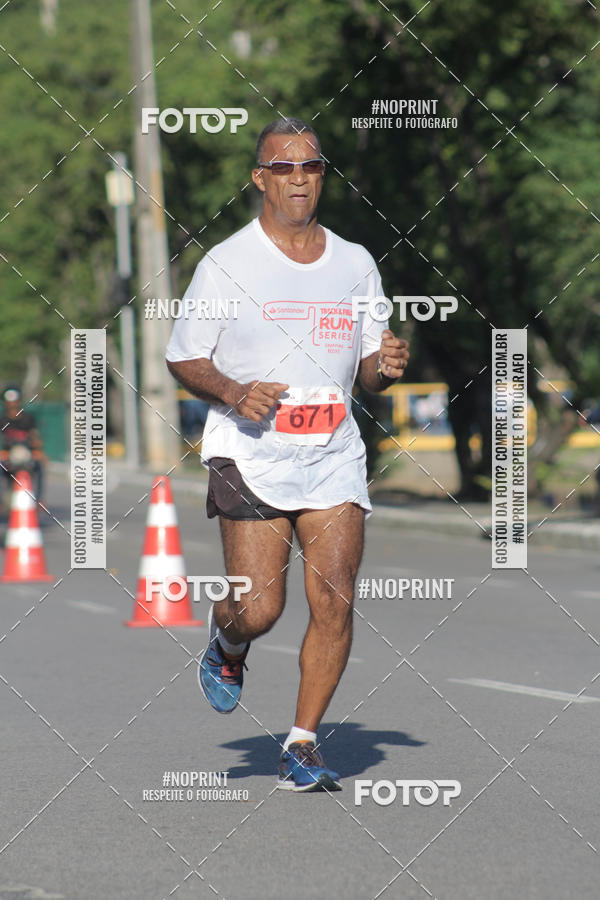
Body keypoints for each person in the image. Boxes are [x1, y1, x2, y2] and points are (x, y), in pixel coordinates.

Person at [165, 118, 409, 792]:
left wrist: (386, 366)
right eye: (284, 167)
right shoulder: (227, 264)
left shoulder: (355, 263)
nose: (299, 179)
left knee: (333, 598)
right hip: (251, 455)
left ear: (322, 175)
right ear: (260, 178)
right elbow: (182, 356)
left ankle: (302, 742)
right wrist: (234, 391)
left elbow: (369, 370)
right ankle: (228, 642)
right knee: (260, 608)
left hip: (332, 452)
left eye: (311, 167)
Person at [0, 384, 45, 505]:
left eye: (15, 401)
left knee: (39, 465)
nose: (12, 405)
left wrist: (37, 450)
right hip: (8, 456)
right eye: (9, 402)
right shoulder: (3, 419)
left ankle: (38, 500)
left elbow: (35, 436)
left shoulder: (27, 418)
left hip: (27, 454)